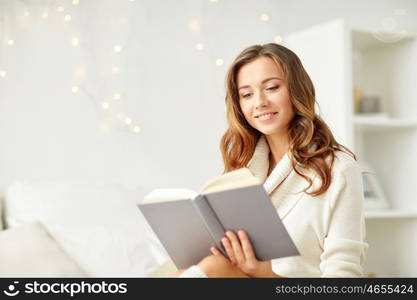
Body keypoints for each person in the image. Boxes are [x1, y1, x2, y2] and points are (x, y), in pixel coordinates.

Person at [174, 43, 368, 278]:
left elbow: (344, 277)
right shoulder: (241, 172)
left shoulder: (339, 170)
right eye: (246, 94)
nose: (259, 102)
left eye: (272, 87)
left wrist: (265, 273)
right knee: (189, 271)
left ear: (297, 90)